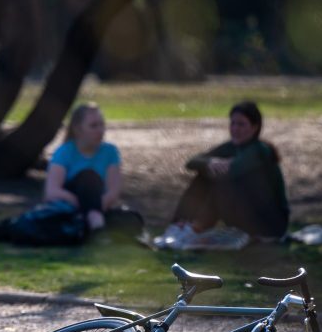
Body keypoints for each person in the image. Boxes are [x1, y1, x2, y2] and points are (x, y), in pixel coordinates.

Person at [153, 101, 289, 250]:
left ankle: (195, 228)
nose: (235, 129)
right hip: (249, 215)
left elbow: (232, 172)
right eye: (233, 123)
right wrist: (211, 162)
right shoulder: (231, 147)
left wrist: (215, 166)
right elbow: (192, 162)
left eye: (241, 124)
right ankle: (180, 225)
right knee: (204, 175)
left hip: (271, 223)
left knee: (221, 182)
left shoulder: (259, 150)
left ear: (255, 127)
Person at [44, 102, 123, 231]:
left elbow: (113, 192)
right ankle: (95, 222)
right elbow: (51, 192)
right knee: (87, 177)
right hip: (70, 208)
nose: (100, 130)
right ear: (78, 129)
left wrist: (95, 207)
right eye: (93, 126)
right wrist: (83, 205)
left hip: (100, 205)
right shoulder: (64, 152)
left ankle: (94, 220)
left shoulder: (110, 152)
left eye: (101, 125)